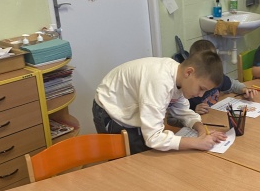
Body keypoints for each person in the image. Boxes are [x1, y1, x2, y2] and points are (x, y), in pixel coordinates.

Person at [92, 52, 227, 154]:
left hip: (132, 107)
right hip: (110, 109)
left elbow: (183, 112)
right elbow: (153, 138)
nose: (201, 95)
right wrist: (196, 143)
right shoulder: (160, 82)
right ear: (189, 72)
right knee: (129, 165)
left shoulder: (180, 78)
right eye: (201, 88)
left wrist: (201, 130)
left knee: (149, 155)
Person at [187, 39, 256, 114]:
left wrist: (244, 90)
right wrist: (194, 111)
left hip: (217, 114)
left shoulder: (216, 76)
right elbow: (181, 113)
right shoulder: (188, 90)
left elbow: (233, 85)